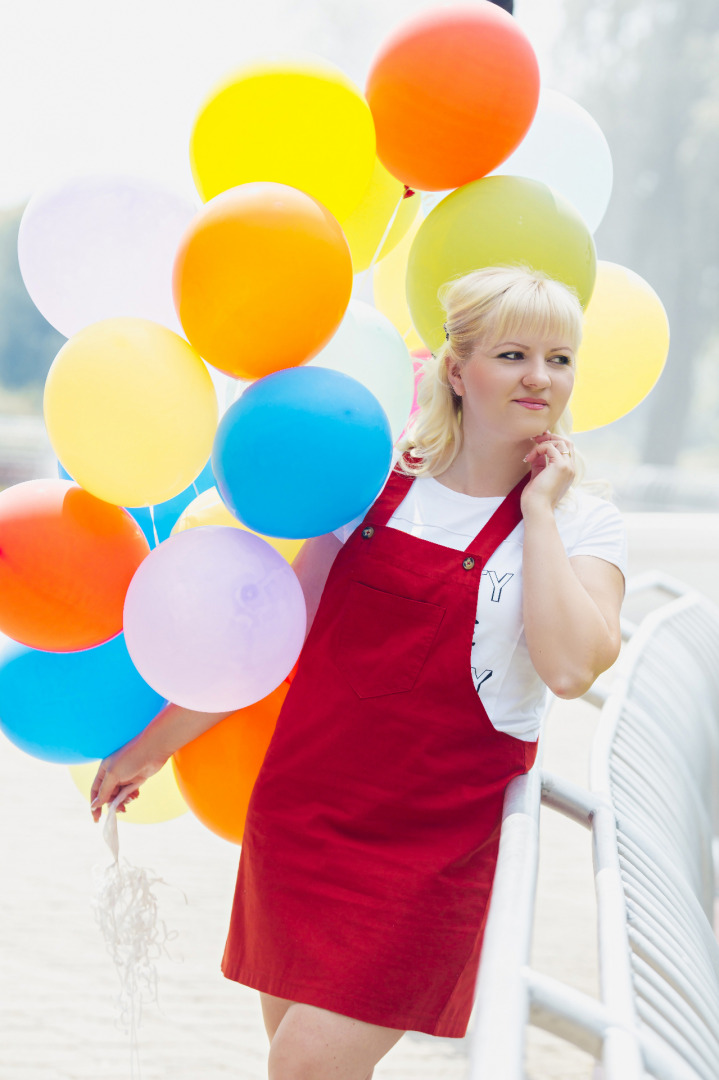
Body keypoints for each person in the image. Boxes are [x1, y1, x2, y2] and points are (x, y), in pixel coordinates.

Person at [90, 265, 626, 1080]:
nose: (538, 378)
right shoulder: (373, 485)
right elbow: (272, 641)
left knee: (304, 1067)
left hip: (433, 848)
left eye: (559, 359)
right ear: (456, 370)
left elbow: (569, 665)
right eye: (513, 354)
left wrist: (539, 510)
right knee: (300, 1065)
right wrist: (154, 744)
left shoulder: (585, 521)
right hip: (305, 821)